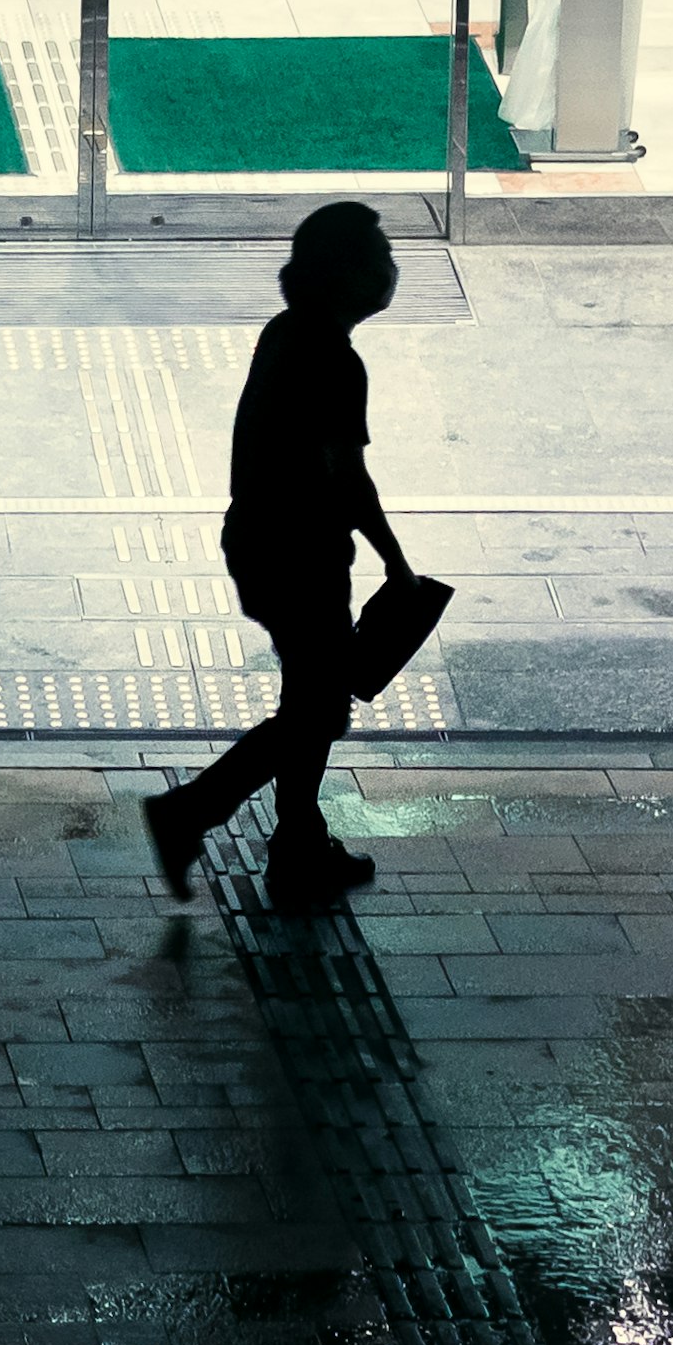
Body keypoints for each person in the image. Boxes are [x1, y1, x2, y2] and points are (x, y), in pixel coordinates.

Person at [143, 201, 416, 910]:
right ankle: (190, 812)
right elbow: (345, 473)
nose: (390, 269)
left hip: (266, 542)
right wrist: (395, 559)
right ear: (346, 276)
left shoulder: (289, 333)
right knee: (317, 711)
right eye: (378, 256)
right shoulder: (332, 357)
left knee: (311, 696)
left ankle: (298, 842)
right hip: (299, 553)